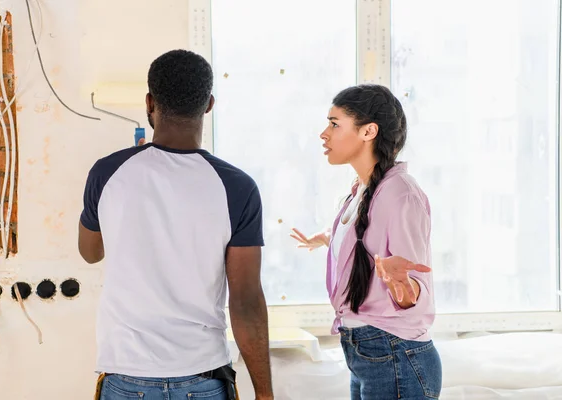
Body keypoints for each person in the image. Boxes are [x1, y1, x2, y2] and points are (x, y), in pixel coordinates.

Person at [78, 49, 273, 400]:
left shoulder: (108, 173)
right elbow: (245, 301)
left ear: (150, 103)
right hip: (202, 377)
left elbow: (90, 252)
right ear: (209, 104)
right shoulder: (237, 186)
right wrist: (265, 393)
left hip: (126, 378)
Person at [291, 84, 442, 399]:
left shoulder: (401, 193)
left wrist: (402, 284)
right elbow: (366, 238)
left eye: (334, 124)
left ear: (368, 131)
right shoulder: (361, 191)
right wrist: (330, 239)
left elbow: (415, 290)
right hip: (368, 351)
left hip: (394, 352)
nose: (324, 134)